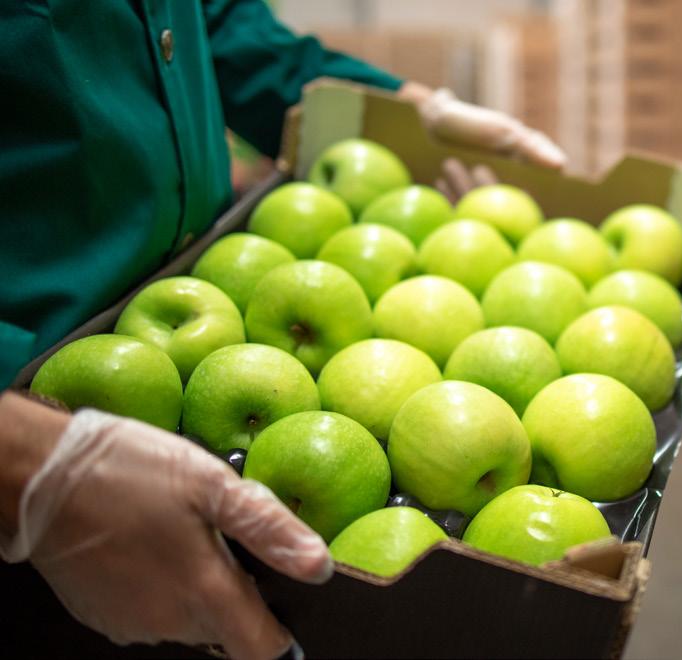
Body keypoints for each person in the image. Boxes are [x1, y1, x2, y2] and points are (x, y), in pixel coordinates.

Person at [0, 2, 565, 658]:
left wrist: (406, 107)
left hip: (200, 285)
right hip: (32, 394)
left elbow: (213, 21)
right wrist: (27, 462)